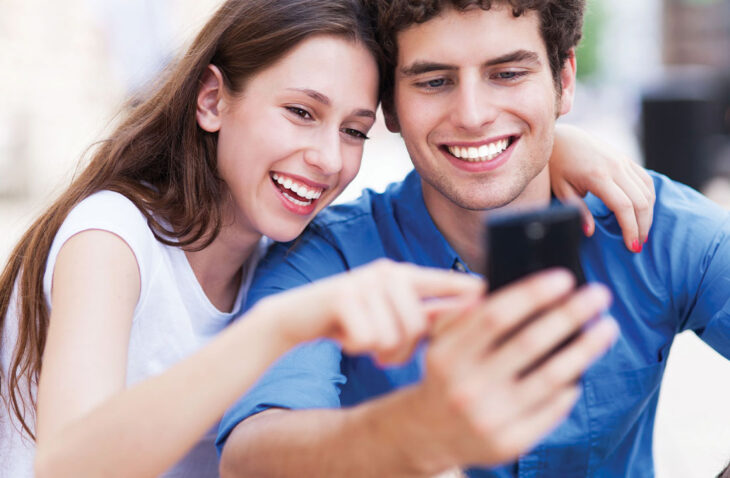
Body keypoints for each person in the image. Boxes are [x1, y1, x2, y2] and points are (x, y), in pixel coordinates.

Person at [0, 0, 650, 477]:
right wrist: (279, 327)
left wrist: (553, 142)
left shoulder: (279, 247)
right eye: (301, 113)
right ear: (211, 99)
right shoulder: (112, 237)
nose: (326, 158)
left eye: (354, 130)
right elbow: (66, 466)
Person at [216, 1, 730, 477]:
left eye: (507, 74)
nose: (472, 115)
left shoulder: (655, 227)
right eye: (434, 81)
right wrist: (420, 426)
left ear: (564, 81)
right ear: (390, 109)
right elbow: (249, 458)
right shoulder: (329, 257)